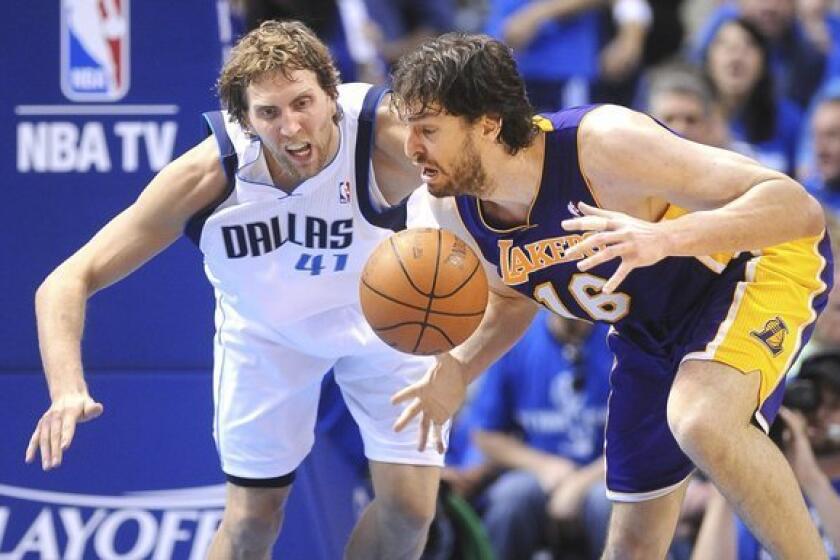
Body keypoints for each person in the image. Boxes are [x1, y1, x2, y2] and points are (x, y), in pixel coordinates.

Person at [388, 33, 833, 559]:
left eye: (429, 130)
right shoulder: (453, 211)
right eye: (408, 127)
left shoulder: (603, 143)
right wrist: (459, 370)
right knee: (631, 545)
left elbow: (795, 207)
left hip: (756, 264)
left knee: (701, 419)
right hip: (650, 328)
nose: (410, 146)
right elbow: (512, 298)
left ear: (487, 122)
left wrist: (666, 237)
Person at [25, 20, 443, 559]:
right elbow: (65, 281)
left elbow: (489, 161)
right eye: (269, 112)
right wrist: (66, 389)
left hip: (390, 324)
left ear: (331, 95)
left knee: (411, 513)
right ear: (242, 119)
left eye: (303, 103)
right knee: (251, 521)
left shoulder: (384, 133)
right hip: (267, 335)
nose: (292, 127)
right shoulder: (210, 173)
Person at [465, 312, 611, 559]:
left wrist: (579, 483)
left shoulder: (621, 339)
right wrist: (543, 466)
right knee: (512, 497)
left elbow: (647, 441)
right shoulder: (517, 336)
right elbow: (485, 435)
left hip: (605, 473)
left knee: (608, 504)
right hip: (538, 474)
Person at [692, 350, 840, 560]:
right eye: (813, 400)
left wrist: (811, 478)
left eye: (835, 405)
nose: (820, 414)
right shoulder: (757, 479)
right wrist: (724, 478)